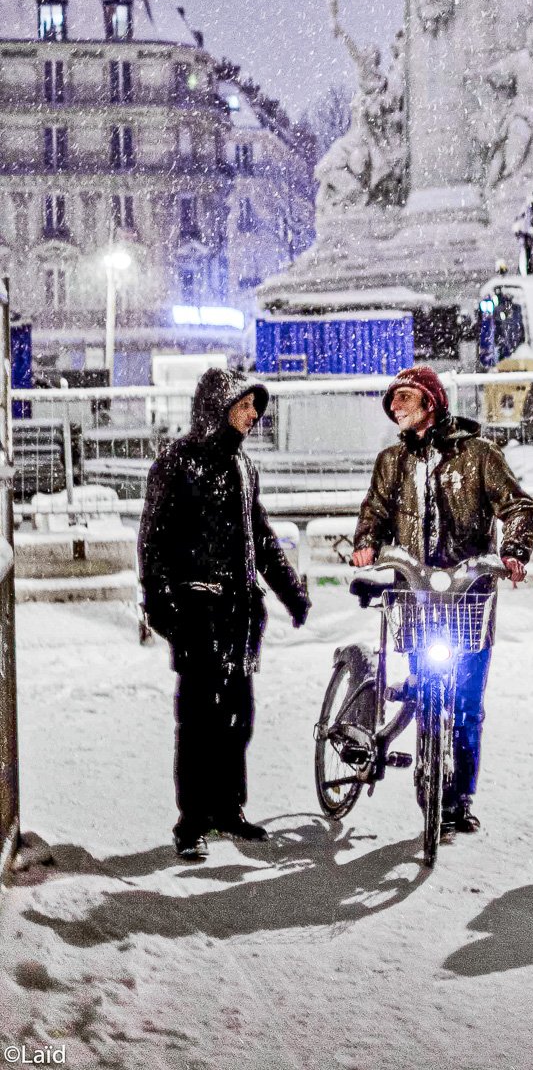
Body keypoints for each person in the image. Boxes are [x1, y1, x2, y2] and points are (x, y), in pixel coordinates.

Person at [351, 365, 533, 837]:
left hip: (468, 597)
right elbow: (373, 509)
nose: (395, 407)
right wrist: (366, 542)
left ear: (430, 402)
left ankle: (459, 799)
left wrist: (512, 552)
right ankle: (430, 779)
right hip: (414, 595)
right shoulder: (391, 460)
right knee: (427, 690)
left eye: (404, 398)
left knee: (468, 704)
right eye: (393, 400)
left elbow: (519, 507)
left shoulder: (478, 455)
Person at [138, 368, 311, 862]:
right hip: (196, 612)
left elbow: (261, 538)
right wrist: (161, 605)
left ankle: (227, 808)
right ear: (218, 406)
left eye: (256, 407)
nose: (253, 415)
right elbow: (152, 540)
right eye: (244, 406)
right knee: (197, 718)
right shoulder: (178, 463)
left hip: (239, 617)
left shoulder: (243, 466)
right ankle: (191, 820)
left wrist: (291, 593)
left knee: (237, 716)